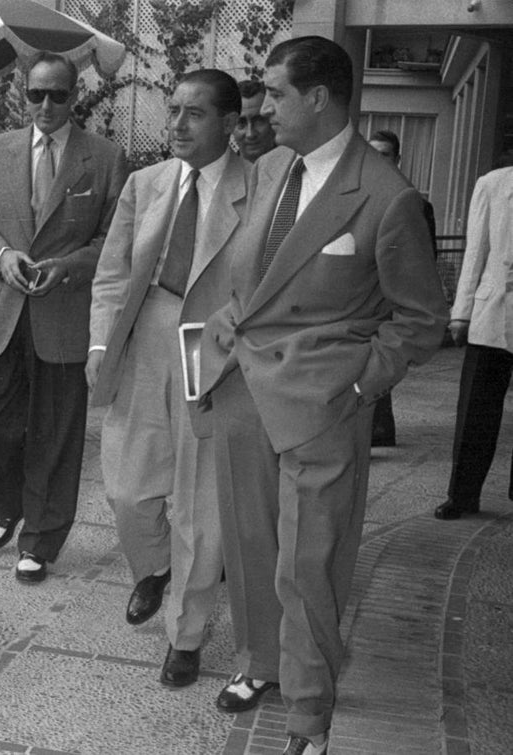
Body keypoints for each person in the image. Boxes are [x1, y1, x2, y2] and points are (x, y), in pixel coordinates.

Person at [197, 37, 448, 755]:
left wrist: (360, 383)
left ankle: (309, 717)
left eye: (275, 94)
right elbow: (253, 279)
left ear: (318, 97)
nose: (261, 110)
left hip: (322, 408)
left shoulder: (389, 197)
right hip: (244, 388)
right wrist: (225, 326)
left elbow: (421, 321)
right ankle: (260, 660)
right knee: (250, 545)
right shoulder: (269, 169)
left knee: (309, 565)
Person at [88, 69, 247, 688]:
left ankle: (186, 635)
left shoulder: (258, 188)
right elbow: (111, 273)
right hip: (146, 336)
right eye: (172, 109)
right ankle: (154, 568)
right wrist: (101, 341)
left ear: (229, 124)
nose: (176, 124)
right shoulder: (145, 183)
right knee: (128, 490)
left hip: (214, 346)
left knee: (199, 503)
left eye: (194, 113)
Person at [0, 51, 129, 583]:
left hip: (64, 311)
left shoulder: (104, 158)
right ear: (23, 93)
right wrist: (1, 255)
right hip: (7, 309)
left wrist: (69, 266)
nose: (46, 105)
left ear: (74, 96)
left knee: (56, 435)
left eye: (58, 95)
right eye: (36, 94)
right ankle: (8, 507)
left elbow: (113, 240)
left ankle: (40, 539)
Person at [436, 165, 513, 520]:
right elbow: (475, 254)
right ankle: (463, 495)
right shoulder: (493, 184)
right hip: (492, 313)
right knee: (476, 412)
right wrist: (461, 313)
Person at [366, 129, 439, 447]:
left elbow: (425, 256)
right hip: (363, 296)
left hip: (392, 296)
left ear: (397, 159)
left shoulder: (415, 204)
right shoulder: (359, 197)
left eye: (384, 154)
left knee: (383, 359)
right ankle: (376, 427)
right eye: (373, 153)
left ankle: (380, 427)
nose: (377, 160)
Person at [234, 79, 277, 162]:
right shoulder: (221, 169)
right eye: (241, 123)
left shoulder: (297, 166)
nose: (250, 134)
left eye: (259, 121)